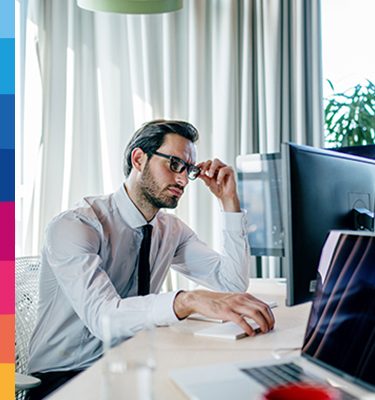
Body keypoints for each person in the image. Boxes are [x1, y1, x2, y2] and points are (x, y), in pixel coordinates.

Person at [27, 120, 275, 399]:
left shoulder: (170, 230)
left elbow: (232, 282)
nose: (183, 180)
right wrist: (186, 301)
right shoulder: (76, 225)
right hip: (66, 376)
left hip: (133, 361)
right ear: (138, 159)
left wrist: (229, 202)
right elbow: (102, 317)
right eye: (175, 164)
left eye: (189, 170)